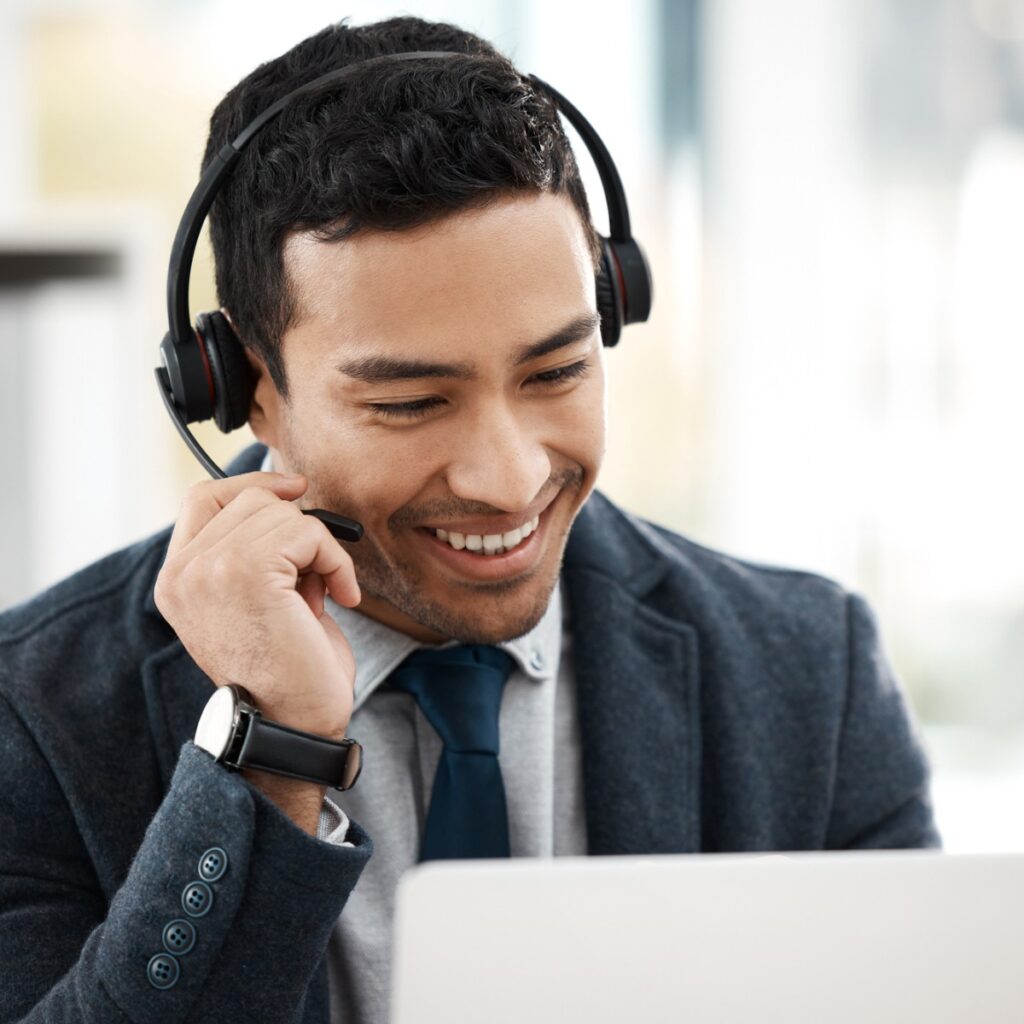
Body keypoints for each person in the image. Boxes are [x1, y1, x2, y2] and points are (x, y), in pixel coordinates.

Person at [0, 14, 941, 1024]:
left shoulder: (811, 670)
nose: (507, 476)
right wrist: (270, 751)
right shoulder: (37, 712)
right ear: (245, 388)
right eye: (409, 401)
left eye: (558, 369)